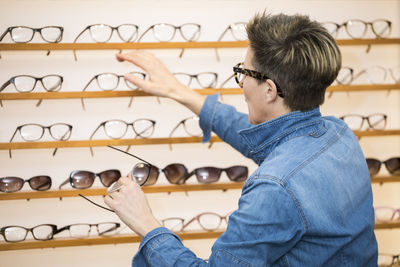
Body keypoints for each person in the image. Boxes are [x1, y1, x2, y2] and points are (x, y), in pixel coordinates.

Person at [104, 12, 378, 266]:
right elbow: (265, 140)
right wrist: (179, 91)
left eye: (243, 73)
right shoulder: (338, 135)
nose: (242, 83)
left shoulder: (274, 187)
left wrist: (147, 224)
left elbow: (279, 175)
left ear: (269, 90)